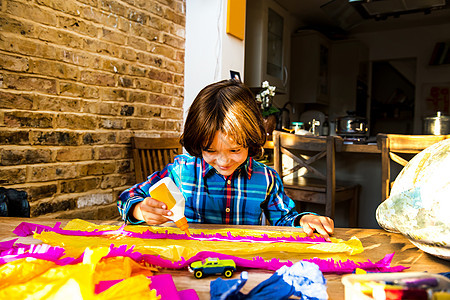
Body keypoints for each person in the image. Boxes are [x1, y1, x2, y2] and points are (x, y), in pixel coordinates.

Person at [117, 79, 334, 240]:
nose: (223, 162)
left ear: (250, 141)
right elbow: (127, 197)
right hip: (189, 264)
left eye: (234, 150)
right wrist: (140, 210)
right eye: (210, 150)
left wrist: (303, 221)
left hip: (244, 266)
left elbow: (284, 220)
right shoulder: (182, 171)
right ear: (199, 144)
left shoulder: (266, 178)